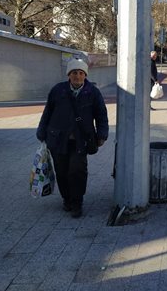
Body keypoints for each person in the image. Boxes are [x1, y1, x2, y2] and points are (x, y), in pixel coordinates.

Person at [36, 59, 109, 218]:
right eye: (74, 73)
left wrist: (102, 134)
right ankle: (66, 199)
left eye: (81, 73)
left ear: (85, 75)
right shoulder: (58, 90)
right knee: (61, 171)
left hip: (80, 140)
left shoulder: (92, 92)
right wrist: (41, 132)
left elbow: (101, 114)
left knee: (77, 171)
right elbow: (47, 112)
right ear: (69, 75)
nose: (77, 76)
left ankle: (77, 202)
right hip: (58, 139)